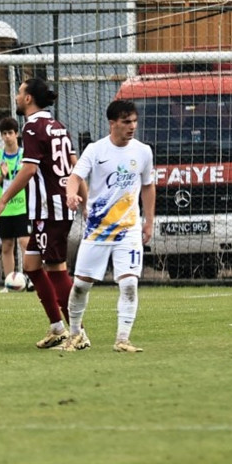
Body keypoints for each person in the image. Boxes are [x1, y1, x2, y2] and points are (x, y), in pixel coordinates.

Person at [0, 78, 78, 349]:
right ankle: (57, 328)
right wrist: (78, 191)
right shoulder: (57, 125)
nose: (16, 96)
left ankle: (78, 331)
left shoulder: (33, 127)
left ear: (28, 99)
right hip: (50, 208)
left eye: (19, 92)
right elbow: (74, 163)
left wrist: (2, 200)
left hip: (51, 209)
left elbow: (27, 170)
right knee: (30, 267)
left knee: (56, 268)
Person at [62, 99, 155, 353]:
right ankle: (75, 335)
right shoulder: (96, 150)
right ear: (112, 123)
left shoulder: (143, 151)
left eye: (134, 121)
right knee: (81, 286)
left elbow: (148, 185)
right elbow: (75, 177)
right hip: (98, 230)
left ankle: (122, 339)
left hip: (129, 230)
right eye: (126, 122)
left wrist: (149, 221)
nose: (132, 126)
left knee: (129, 283)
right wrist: (72, 194)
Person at [0, 118, 31, 293]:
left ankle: (30, 279)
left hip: (23, 207)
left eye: (10, 133)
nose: (7, 137)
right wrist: (2, 177)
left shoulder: (26, 155)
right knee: (6, 245)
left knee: (25, 242)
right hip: (4, 209)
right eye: (4, 133)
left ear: (17, 134)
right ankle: (10, 282)